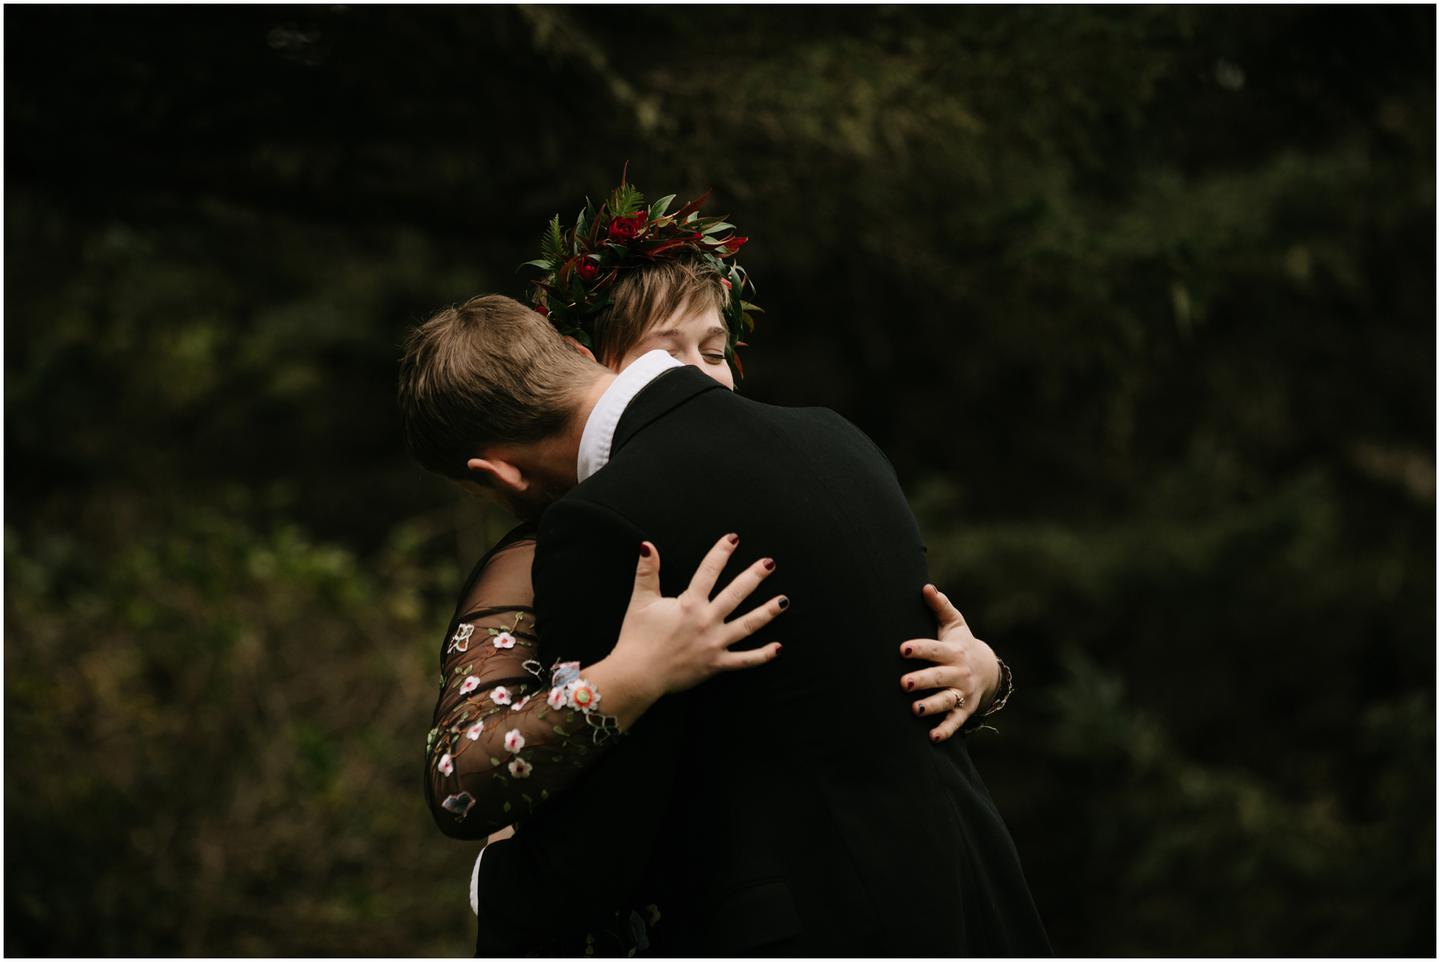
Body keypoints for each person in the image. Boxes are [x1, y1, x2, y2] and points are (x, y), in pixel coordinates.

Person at [400, 183, 1042, 954]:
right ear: (577, 353)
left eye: (716, 346)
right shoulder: (838, 438)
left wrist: (503, 889)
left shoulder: (600, 521)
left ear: (496, 477)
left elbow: (618, 813)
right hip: (975, 899)